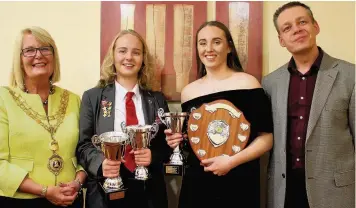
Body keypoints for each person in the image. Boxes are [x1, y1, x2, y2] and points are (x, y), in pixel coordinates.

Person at [165, 21, 274, 208]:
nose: (209, 48)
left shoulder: (249, 84)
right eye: (202, 43)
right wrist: (177, 140)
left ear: (229, 47)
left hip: (240, 180)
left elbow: (267, 137)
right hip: (198, 181)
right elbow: (193, 139)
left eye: (216, 42)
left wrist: (231, 162)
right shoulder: (189, 92)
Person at [262, 2, 355, 208]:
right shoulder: (270, 83)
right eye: (287, 28)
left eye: (302, 22)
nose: (296, 29)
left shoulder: (351, 76)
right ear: (281, 40)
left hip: (335, 191)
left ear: (316, 26)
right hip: (284, 191)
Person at [76, 29, 171, 208]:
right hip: (105, 191)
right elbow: (83, 145)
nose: (129, 57)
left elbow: (167, 145)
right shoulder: (93, 97)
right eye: (122, 51)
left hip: (148, 193)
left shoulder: (157, 99)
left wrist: (153, 155)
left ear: (143, 59)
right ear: (113, 55)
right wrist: (100, 163)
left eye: (136, 52)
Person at [0, 26, 86, 207]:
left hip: (69, 201)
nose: (38, 55)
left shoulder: (73, 100)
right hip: (19, 201)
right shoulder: (3, 99)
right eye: (29, 50)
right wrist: (44, 191)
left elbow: (84, 151)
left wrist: (78, 182)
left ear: (54, 56)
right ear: (19, 59)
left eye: (45, 48)